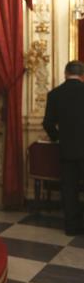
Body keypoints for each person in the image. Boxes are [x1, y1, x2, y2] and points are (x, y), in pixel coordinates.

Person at [42, 60, 84, 236]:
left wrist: (58, 138)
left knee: (69, 189)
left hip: (67, 150)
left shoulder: (55, 94)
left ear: (66, 73)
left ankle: (71, 227)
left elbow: (48, 123)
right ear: (82, 75)